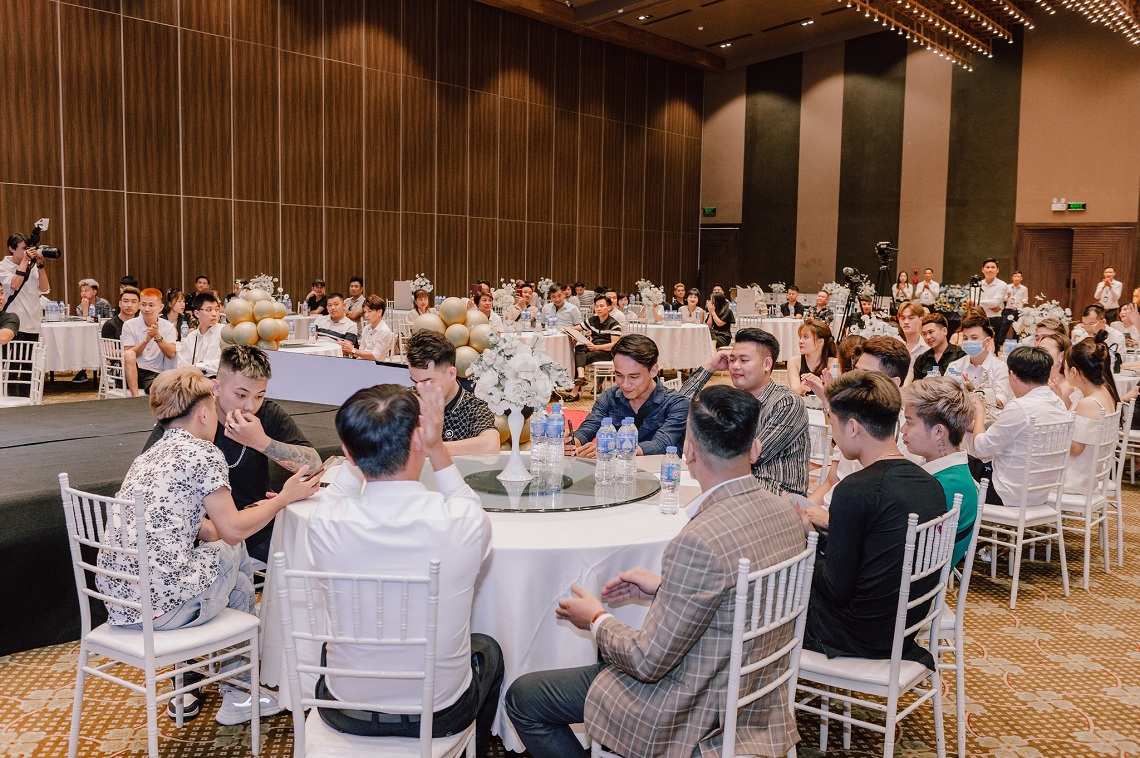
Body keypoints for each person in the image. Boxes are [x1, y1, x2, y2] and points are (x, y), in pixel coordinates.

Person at [507, 385, 806, 758]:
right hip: (757, 689)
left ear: (689, 450)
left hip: (693, 703)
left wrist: (596, 620)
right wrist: (667, 588)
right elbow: (738, 595)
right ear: (756, 448)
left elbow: (646, 661)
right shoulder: (786, 513)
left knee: (524, 697)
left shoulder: (699, 540)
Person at [102, 367, 319, 723]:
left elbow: (204, 527)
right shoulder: (203, 453)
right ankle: (240, 691)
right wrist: (283, 499)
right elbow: (232, 532)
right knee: (237, 562)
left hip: (121, 605)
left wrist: (235, 520)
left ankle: (218, 682)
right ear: (204, 413)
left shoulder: (148, 456)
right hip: (164, 609)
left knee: (233, 570)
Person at [304, 383, 503, 756]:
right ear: (418, 441)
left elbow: (336, 495)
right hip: (438, 712)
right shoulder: (462, 522)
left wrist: (355, 454)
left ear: (346, 453)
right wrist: (437, 446)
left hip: (347, 709)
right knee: (489, 649)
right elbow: (466, 501)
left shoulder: (324, 524)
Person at [796, 370, 946, 664]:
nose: (833, 435)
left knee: (764, 590)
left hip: (856, 634)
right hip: (904, 627)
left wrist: (809, 539)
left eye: (833, 423)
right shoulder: (930, 484)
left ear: (852, 427)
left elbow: (835, 590)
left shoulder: (855, 489)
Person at [142, 345, 321, 564]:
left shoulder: (267, 413)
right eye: (241, 395)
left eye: (259, 396)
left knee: (310, 553)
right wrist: (207, 529)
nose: (250, 406)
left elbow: (314, 464)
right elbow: (152, 485)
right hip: (207, 537)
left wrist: (262, 442)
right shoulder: (191, 417)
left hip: (258, 524)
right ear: (216, 387)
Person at [680, 328, 811, 495]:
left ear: (767, 364)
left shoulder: (786, 403)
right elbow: (679, 410)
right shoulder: (733, 402)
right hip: (733, 488)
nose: (735, 366)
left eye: (744, 360)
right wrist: (710, 367)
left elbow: (750, 457)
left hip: (777, 495)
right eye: (732, 359)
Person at [966, 346, 1070, 506]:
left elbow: (982, 449)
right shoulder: (1058, 403)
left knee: (953, 459)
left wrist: (979, 414)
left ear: (1013, 375)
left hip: (1005, 493)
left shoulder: (1020, 407)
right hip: (1039, 493)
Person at [567, 334, 689, 458]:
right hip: (618, 469)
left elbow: (661, 444)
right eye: (619, 375)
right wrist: (571, 443)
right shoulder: (610, 397)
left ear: (653, 370)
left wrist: (615, 449)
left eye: (633, 377)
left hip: (658, 469)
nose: (625, 384)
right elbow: (589, 427)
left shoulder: (677, 404)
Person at [900, 377, 979, 566]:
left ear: (938, 432)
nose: (903, 429)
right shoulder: (950, 472)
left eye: (909, 423)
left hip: (912, 576)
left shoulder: (942, 486)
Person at [405, 330, 501, 454]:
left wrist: (433, 448)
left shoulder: (473, 407)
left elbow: (490, 445)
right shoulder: (408, 400)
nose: (420, 389)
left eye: (427, 382)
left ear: (451, 374)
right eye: (414, 381)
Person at [1061, 336, 1120, 495]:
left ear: (1074, 372)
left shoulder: (1088, 403)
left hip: (1076, 478)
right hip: (1092, 473)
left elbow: (1076, 449)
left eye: (1064, 368)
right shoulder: (1105, 391)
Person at [0, 233, 51, 358]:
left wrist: (40, 266)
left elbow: (44, 288)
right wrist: (25, 261)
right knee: (12, 363)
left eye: (28, 248)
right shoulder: (3, 267)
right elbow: (15, 285)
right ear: (11, 248)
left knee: (29, 364)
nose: (27, 251)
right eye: (23, 248)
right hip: (14, 324)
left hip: (33, 322)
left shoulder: (32, 266)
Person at [947, 311, 1011, 408]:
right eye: (965, 338)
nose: (968, 342)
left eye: (974, 338)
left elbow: (1000, 402)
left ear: (987, 341)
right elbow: (945, 396)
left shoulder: (1000, 368)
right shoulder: (954, 366)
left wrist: (974, 393)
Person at [123, 288, 178, 397]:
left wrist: (157, 336)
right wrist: (145, 341)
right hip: (132, 370)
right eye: (143, 305)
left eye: (151, 305)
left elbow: (171, 354)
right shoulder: (129, 325)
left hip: (153, 373)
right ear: (139, 305)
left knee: (165, 390)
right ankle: (135, 397)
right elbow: (128, 354)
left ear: (161, 307)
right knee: (129, 354)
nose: (146, 309)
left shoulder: (168, 327)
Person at [565, 294, 621, 402]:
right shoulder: (593, 320)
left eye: (601, 306)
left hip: (606, 352)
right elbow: (577, 328)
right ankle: (581, 376)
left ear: (609, 307)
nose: (598, 308)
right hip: (593, 347)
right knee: (579, 348)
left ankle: (574, 391)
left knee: (581, 358)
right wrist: (567, 329)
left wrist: (596, 347)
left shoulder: (614, 324)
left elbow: (614, 345)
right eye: (596, 306)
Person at [70, 278, 115, 382]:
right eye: (82, 291)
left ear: (94, 292)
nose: (83, 293)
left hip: (103, 334)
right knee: (82, 343)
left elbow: (110, 320)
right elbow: (84, 324)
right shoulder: (80, 307)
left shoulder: (104, 303)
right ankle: (82, 371)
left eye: (86, 290)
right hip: (87, 336)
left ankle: (106, 369)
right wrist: (85, 309)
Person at [178, 292, 223, 376]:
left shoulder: (224, 333)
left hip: (217, 379)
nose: (214, 314)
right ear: (197, 313)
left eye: (216, 309)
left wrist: (198, 366)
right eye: (209, 310)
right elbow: (182, 365)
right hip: (194, 379)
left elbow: (225, 364)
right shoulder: (191, 337)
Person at [911, 312, 966, 381]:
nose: (928, 337)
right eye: (924, 334)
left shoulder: (960, 355)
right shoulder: (921, 360)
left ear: (944, 331)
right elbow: (916, 385)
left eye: (931, 332)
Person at [789, 321, 838, 396]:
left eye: (806, 337)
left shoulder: (834, 362)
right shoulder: (794, 361)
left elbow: (834, 391)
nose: (800, 341)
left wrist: (818, 383)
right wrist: (803, 387)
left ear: (820, 342)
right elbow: (794, 391)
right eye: (800, 337)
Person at [352, 295, 395, 360]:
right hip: (362, 361)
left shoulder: (384, 331)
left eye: (369, 311)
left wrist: (353, 350)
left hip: (375, 364)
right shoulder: (366, 328)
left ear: (379, 312)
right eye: (365, 312)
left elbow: (375, 356)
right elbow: (361, 350)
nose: (366, 315)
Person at [1038, 332, 1075, 408]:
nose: (1038, 355)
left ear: (1062, 355)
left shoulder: (1068, 388)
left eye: (1044, 351)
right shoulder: (1037, 380)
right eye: (1038, 350)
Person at [976, 258, 1008, 341]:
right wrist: (991, 305)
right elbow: (972, 302)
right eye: (987, 267)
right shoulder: (977, 284)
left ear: (997, 270)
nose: (990, 270)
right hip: (978, 317)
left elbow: (995, 302)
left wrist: (978, 303)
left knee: (993, 343)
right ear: (982, 270)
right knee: (978, 342)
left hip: (995, 319)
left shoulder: (1002, 285)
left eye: (993, 267)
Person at [896, 301, 928, 370]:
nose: (906, 322)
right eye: (903, 318)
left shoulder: (927, 347)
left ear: (921, 319)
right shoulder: (894, 345)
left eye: (911, 318)